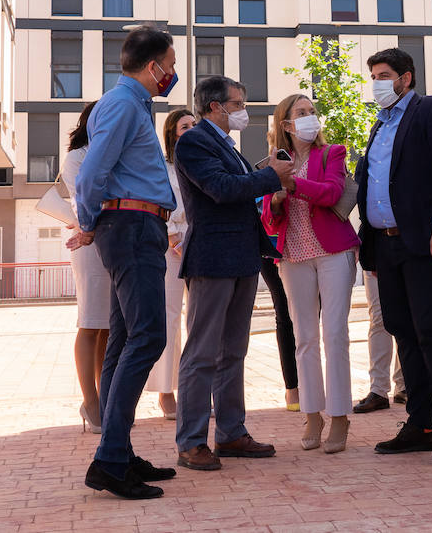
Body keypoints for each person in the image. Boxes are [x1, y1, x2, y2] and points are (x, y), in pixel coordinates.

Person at [67, 26, 182, 500]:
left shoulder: (133, 106)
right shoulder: (120, 104)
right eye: (169, 65)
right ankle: (111, 459)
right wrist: (91, 220)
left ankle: (120, 453)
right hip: (131, 227)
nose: (172, 74)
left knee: (123, 343)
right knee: (149, 336)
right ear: (152, 66)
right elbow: (92, 173)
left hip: (136, 227)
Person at [173, 75, 296, 471]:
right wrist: (270, 175)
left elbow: (238, 186)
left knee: (233, 352)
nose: (243, 111)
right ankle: (192, 441)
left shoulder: (225, 144)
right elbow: (222, 188)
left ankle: (230, 434)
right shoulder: (192, 142)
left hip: (243, 256)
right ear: (215, 107)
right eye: (238, 103)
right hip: (212, 258)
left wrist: (266, 179)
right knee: (202, 353)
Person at [354, 47, 432, 464]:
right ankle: (420, 425)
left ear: (407, 77)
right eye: (373, 76)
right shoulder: (379, 125)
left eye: (384, 75)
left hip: (428, 240)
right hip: (387, 243)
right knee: (402, 329)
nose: (377, 84)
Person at [260, 94, 360, 453]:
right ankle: (313, 413)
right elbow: (268, 220)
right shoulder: (274, 163)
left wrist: (292, 185)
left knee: (334, 334)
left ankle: (340, 415)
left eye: (312, 111)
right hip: (293, 255)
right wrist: (273, 201)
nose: (309, 117)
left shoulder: (331, 153)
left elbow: (333, 192)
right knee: (303, 338)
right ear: (285, 124)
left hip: (334, 250)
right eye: (301, 113)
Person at [144, 108, 197, 420]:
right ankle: (166, 390)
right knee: (170, 317)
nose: (190, 129)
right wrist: (173, 239)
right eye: (184, 126)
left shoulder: (203, 165)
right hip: (171, 247)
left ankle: (199, 390)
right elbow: (158, 205)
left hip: (202, 242)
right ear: (172, 134)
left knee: (201, 320)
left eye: (194, 125)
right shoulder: (162, 168)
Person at [61, 101, 110, 434]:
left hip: (115, 241)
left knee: (107, 325)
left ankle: (103, 397)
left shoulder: (114, 150)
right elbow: (90, 198)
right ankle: (89, 402)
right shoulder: (77, 156)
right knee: (91, 322)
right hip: (88, 242)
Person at [351, 275, 405, 413]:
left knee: (406, 317)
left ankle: (404, 384)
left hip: (407, 255)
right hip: (376, 258)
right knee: (378, 318)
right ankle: (378, 390)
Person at [260, 253, 301, 413]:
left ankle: (308, 382)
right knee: (284, 313)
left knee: (309, 316)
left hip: (306, 244)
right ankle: (292, 387)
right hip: (271, 246)